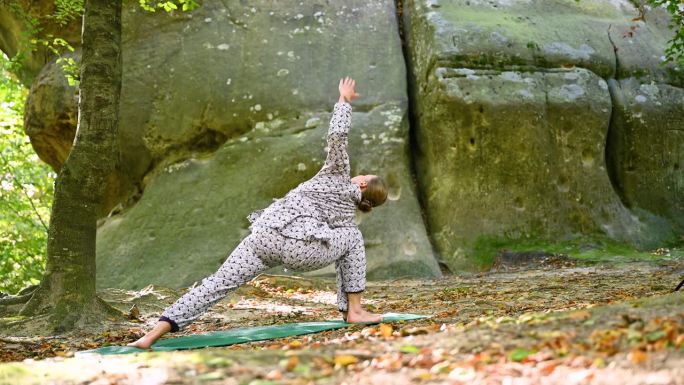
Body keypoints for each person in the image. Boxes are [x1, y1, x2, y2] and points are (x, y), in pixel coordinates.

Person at [128, 77, 388, 349]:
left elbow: (337, 138)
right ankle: (354, 310)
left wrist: (343, 100)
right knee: (353, 238)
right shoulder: (348, 216)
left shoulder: (337, 176)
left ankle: (152, 335)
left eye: (365, 174)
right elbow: (343, 251)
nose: (360, 172)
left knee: (218, 283)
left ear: (361, 183)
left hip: (266, 236)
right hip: (301, 250)